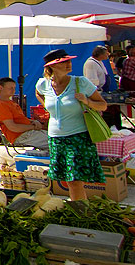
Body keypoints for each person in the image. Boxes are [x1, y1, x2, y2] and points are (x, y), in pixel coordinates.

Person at [35, 49, 108, 201]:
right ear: (52, 66)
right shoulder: (43, 84)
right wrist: (52, 110)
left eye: (69, 61)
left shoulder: (80, 82)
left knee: (74, 181)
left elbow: (103, 105)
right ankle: (81, 209)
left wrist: (87, 102)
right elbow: (38, 94)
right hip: (56, 138)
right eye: (63, 62)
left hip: (78, 137)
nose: (69, 64)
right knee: (68, 180)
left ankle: (80, 212)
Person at [0, 77, 48, 149]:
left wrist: (33, 121)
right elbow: (13, 127)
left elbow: (19, 119)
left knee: (58, 138)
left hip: (27, 133)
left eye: (14, 88)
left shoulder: (10, 102)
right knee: (55, 142)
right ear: (1, 88)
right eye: (10, 88)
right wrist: (33, 127)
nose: (13, 90)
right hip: (21, 136)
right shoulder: (1, 105)